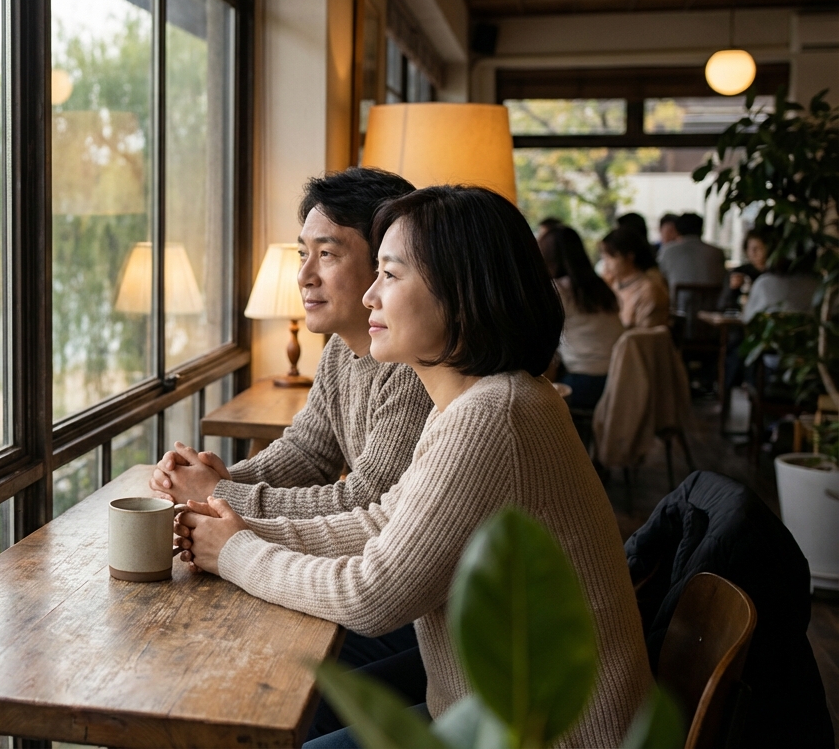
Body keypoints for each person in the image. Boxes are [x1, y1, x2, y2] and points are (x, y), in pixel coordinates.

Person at [173, 185, 653, 748]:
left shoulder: (493, 415)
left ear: (462, 294)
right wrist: (232, 527)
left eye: (391, 276)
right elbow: (380, 526)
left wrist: (234, 550)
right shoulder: (479, 402)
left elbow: (372, 596)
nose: (372, 296)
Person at [149, 166, 435, 671]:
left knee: (256, 660)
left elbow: (366, 502)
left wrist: (217, 497)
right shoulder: (341, 351)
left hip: (423, 617)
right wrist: (220, 478)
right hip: (406, 604)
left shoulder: (414, 369)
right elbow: (307, 450)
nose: (304, 274)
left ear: (385, 264)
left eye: (326, 254)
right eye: (304, 253)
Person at [539, 225, 622, 410]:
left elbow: (540, 344)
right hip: (619, 381)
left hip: (585, 383)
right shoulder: (600, 287)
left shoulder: (558, 290)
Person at [600, 227, 670, 328]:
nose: (606, 264)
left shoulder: (648, 289)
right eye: (604, 258)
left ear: (629, 256)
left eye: (611, 257)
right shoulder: (614, 284)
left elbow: (644, 336)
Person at [657, 211, 727, 295]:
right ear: (701, 229)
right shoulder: (717, 252)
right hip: (712, 306)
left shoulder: (667, 251)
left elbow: (659, 280)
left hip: (676, 306)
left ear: (678, 230)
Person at [720, 230, 767, 312]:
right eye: (749, 248)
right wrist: (732, 288)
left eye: (758, 248)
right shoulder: (739, 272)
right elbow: (723, 305)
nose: (753, 253)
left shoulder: (774, 274)